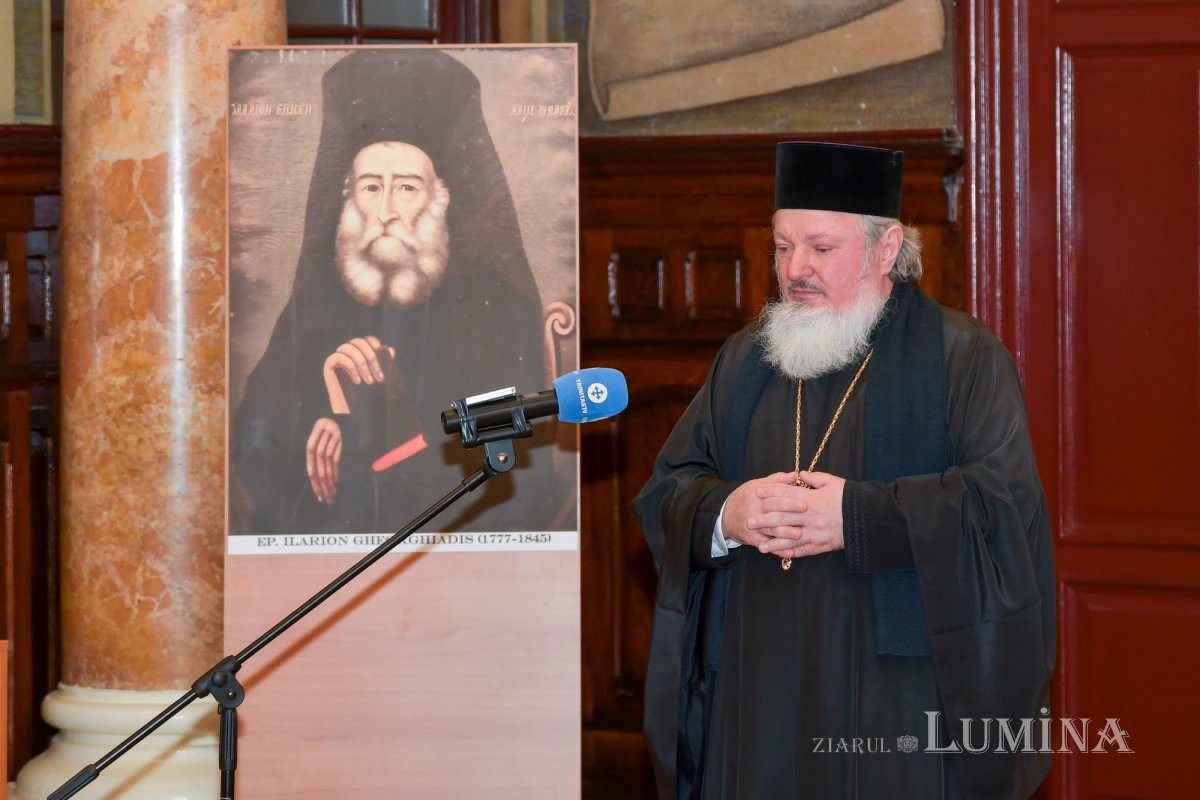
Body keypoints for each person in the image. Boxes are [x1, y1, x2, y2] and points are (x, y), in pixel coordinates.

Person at [633, 142, 1055, 799]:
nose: (795, 268)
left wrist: (857, 518)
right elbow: (668, 489)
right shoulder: (746, 361)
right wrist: (728, 513)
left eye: (820, 248)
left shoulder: (963, 358)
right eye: (782, 246)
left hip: (896, 708)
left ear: (886, 249)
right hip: (758, 700)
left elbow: (1002, 507)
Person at [233, 49, 560, 535]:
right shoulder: (318, 302)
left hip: (461, 560)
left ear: (440, 201)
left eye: (406, 188)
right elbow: (254, 443)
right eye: (370, 187)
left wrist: (383, 429)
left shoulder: (495, 307)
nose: (385, 209)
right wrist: (326, 415)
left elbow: (513, 475)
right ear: (348, 198)